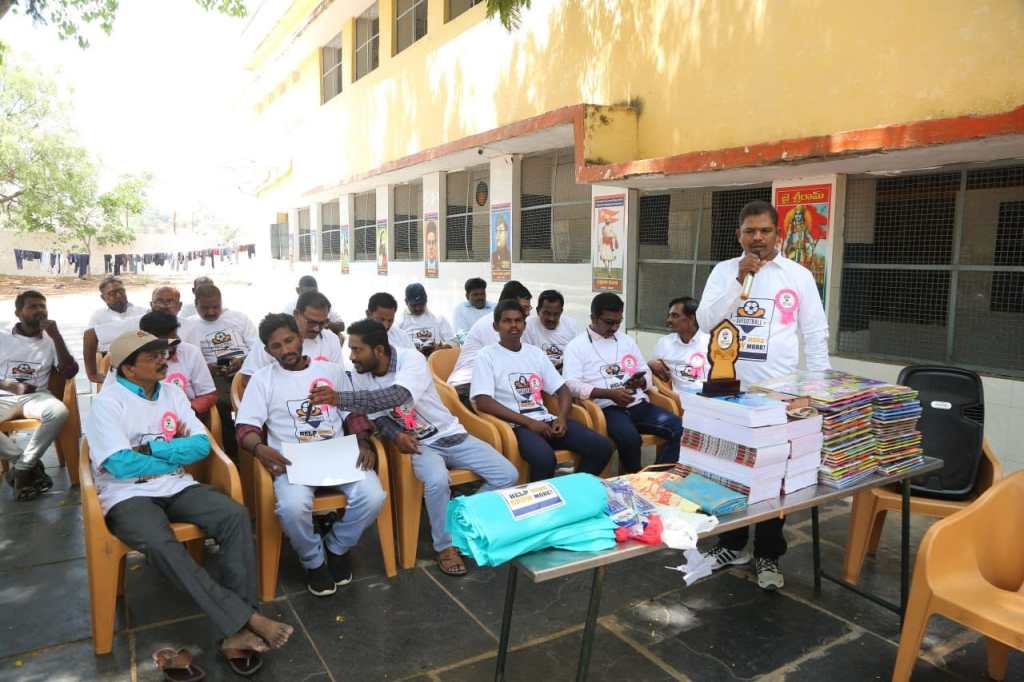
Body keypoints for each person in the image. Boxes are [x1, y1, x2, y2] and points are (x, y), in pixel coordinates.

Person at [86, 330, 293, 669]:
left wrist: (150, 449)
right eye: (152, 356)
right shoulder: (108, 403)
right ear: (128, 368)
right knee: (159, 542)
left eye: (163, 353)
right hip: (128, 494)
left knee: (233, 515)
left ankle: (236, 629)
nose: (162, 360)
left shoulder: (171, 392)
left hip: (176, 484)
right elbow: (120, 465)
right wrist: (172, 451)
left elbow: (200, 445)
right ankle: (247, 620)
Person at [696, 199, 831, 592]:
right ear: (738, 235)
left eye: (765, 231)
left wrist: (816, 390)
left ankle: (768, 553)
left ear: (778, 234)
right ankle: (731, 544)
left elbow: (815, 334)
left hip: (779, 394)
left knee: (774, 477)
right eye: (750, 231)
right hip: (729, 390)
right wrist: (739, 279)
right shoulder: (724, 272)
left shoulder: (798, 276)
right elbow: (706, 322)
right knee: (729, 471)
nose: (757, 238)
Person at [325, 319, 518, 577]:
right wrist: (395, 435)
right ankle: (446, 546)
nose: (351, 356)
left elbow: (398, 396)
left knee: (508, 475)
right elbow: (377, 415)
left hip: (449, 434)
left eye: (357, 349)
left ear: (379, 350)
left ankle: (459, 521)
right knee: (437, 480)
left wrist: (339, 397)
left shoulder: (411, 360)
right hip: (418, 445)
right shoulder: (360, 374)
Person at [235, 314, 385, 597]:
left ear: (300, 337)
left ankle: (337, 546)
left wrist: (363, 442)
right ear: (267, 350)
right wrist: (259, 448)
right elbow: (245, 428)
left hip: (337, 454)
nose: (285, 350)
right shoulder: (263, 380)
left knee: (373, 496)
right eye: (276, 346)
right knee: (292, 507)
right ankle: (313, 560)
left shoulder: (332, 372)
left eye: (289, 340)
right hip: (292, 461)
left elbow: (353, 414)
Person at [472, 301, 611, 481]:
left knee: (602, 447)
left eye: (518, 320)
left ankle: (573, 490)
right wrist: (529, 423)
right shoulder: (486, 355)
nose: (514, 325)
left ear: (524, 325)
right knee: (544, 459)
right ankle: (540, 499)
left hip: (546, 421)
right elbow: (483, 401)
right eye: (507, 321)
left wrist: (561, 418)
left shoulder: (535, 353)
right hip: (515, 426)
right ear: (495, 326)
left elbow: (563, 389)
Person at [563, 292, 682, 473]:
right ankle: (633, 479)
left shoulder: (626, 341)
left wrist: (640, 382)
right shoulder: (576, 346)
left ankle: (655, 476)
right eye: (609, 322)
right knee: (630, 439)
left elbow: (645, 370)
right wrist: (609, 394)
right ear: (593, 318)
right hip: (607, 408)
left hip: (637, 403)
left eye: (618, 322)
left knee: (679, 427)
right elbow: (571, 385)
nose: (614, 327)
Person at [0, 291, 77, 500]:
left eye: (42, 306)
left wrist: (57, 337)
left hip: (37, 397)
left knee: (59, 412)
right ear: (18, 312)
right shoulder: (2, 336)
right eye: (33, 306)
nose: (40, 310)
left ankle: (21, 470)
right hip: (3, 396)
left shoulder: (52, 339)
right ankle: (26, 466)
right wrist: (11, 386)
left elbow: (69, 372)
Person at [179, 284, 257, 456]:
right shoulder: (189, 326)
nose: (211, 312)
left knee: (254, 401)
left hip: (244, 370)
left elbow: (257, 348)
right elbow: (187, 360)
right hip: (213, 376)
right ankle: (232, 454)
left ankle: (253, 448)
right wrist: (206, 368)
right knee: (221, 407)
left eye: (216, 307)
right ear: (196, 305)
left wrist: (243, 360)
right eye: (205, 308)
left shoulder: (238, 318)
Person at [101, 311, 217, 417]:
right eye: (164, 342)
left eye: (174, 337)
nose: (172, 344)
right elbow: (109, 398)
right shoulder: (126, 357)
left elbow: (208, 394)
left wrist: (186, 412)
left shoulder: (191, 352)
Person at [447, 281, 533, 406]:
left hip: (493, 384)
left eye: (528, 308)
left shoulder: (518, 325)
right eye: (524, 308)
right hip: (467, 385)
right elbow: (507, 365)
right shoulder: (495, 326)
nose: (528, 313)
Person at [240, 291, 344, 393]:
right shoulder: (273, 338)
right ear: (296, 314)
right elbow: (248, 378)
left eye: (322, 323)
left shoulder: (331, 339)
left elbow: (339, 379)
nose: (316, 328)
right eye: (311, 322)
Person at [83, 276, 147, 384]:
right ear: (103, 298)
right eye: (112, 293)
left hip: (141, 358)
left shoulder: (142, 312)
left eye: (121, 291)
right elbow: (90, 341)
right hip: (112, 360)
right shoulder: (98, 317)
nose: (118, 295)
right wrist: (92, 374)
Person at [649, 297, 710, 399]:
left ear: (691, 318)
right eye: (669, 316)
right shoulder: (664, 342)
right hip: (674, 399)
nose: (669, 320)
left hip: (706, 399)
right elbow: (652, 371)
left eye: (675, 316)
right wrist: (650, 364)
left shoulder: (710, 343)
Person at [523, 289, 579, 372]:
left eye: (556, 314)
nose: (551, 318)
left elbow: (576, 357)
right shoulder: (528, 325)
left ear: (561, 312)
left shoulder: (571, 325)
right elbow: (525, 358)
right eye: (547, 313)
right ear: (538, 311)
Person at [398, 283, 456, 356]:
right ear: (406, 302)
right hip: (411, 360)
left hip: (436, 360)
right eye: (414, 305)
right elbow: (395, 349)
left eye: (421, 304)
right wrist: (413, 351)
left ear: (426, 301)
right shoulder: (399, 322)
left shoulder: (438, 318)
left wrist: (441, 348)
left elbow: (454, 343)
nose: (418, 308)